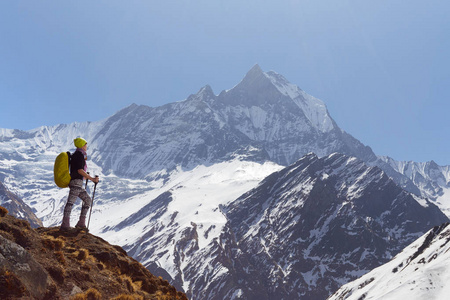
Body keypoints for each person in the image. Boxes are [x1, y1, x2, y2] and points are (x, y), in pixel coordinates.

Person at [60, 137, 99, 231]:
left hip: (76, 182)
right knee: (70, 203)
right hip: (76, 183)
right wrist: (92, 179)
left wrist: (86, 177)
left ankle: (80, 223)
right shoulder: (79, 155)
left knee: (87, 200)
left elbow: (77, 171)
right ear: (82, 145)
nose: (86, 146)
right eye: (85, 144)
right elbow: (79, 170)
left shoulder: (75, 155)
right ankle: (66, 225)